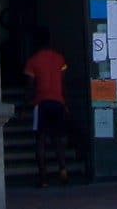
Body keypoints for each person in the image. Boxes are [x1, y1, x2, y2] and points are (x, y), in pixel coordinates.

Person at [21, 28, 71, 186]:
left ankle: (44, 179)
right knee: (59, 139)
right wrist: (66, 103)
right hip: (58, 102)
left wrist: (24, 105)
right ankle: (63, 169)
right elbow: (63, 82)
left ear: (36, 43)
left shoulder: (33, 61)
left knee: (40, 141)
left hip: (41, 102)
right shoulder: (60, 59)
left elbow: (30, 86)